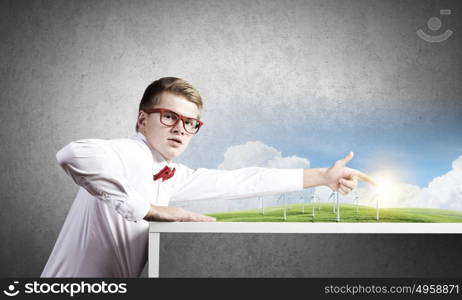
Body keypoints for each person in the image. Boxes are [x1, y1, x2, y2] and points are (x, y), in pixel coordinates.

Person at [41, 77, 375, 278]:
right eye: (170, 116)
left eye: (190, 123)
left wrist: (322, 176)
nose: (181, 129)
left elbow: (243, 181)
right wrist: (148, 209)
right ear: (142, 120)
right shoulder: (130, 153)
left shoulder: (172, 175)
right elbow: (71, 154)